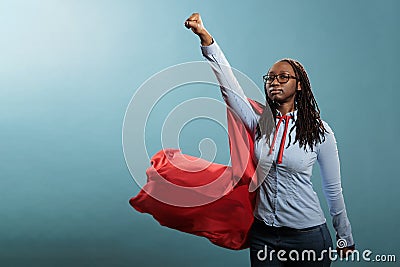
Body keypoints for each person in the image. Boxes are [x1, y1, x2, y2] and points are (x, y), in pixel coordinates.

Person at [184, 13, 355, 266]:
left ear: (299, 86)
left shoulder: (320, 133)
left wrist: (344, 235)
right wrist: (206, 38)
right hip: (263, 235)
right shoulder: (260, 124)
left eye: (283, 77)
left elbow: (333, 190)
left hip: (307, 238)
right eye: (270, 78)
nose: (274, 82)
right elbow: (230, 89)